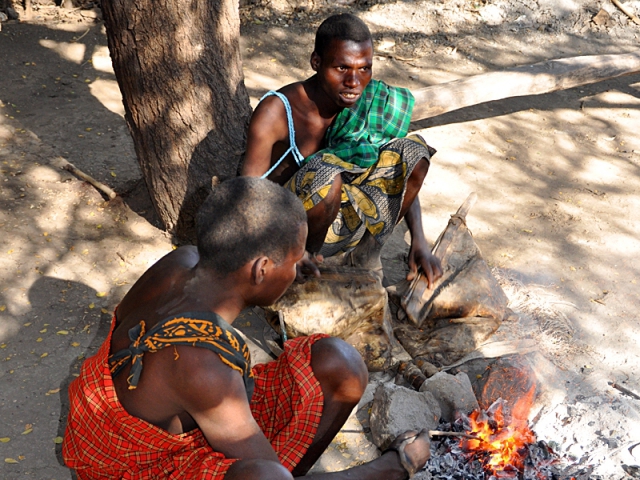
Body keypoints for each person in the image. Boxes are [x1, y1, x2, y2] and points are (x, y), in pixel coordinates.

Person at [62, 177, 431, 479]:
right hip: (137, 468)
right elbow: (195, 372)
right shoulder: (202, 365)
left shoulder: (182, 261)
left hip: (170, 403)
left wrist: (284, 261)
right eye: (293, 260)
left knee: (341, 365)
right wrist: (394, 465)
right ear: (260, 270)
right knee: (269, 477)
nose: (297, 269)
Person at [242, 13, 442, 288]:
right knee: (327, 176)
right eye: (342, 68)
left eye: (364, 68)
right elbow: (247, 195)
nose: (354, 82)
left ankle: (367, 256)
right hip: (285, 227)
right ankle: (301, 268)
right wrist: (283, 251)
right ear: (317, 63)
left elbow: (398, 171)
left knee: (413, 152)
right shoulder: (277, 111)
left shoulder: (366, 102)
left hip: (343, 219)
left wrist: (419, 240)